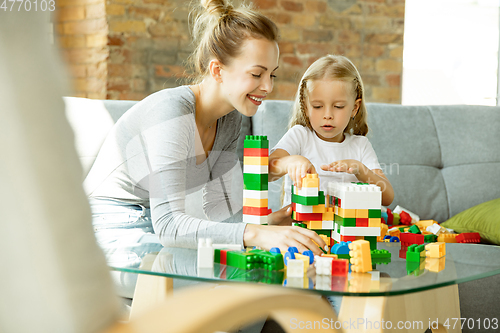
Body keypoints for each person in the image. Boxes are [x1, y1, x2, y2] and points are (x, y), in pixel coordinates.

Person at [84, 0, 327, 256]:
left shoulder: (230, 117)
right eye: (257, 74)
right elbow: (170, 226)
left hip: (154, 231)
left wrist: (273, 223)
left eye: (272, 75)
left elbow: (217, 211)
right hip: (109, 228)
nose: (268, 87)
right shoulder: (172, 112)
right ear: (217, 70)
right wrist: (257, 233)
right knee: (208, 268)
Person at [269, 54, 394, 207]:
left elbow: (387, 198)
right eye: (317, 106)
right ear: (306, 106)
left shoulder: (360, 145)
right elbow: (265, 171)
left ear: (354, 108)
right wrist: (290, 162)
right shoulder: (300, 136)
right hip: (300, 228)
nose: (328, 115)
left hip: (344, 229)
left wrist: (360, 170)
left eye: (338, 107)